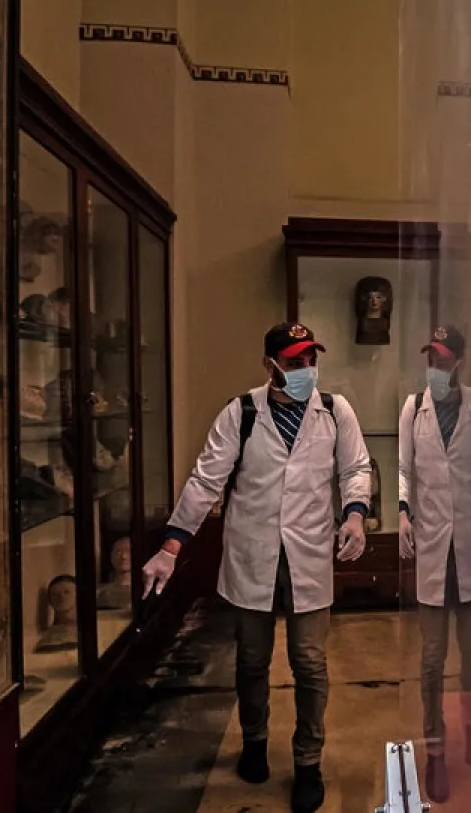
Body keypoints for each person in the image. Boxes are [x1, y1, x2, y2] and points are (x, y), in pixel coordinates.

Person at [142, 322, 371, 813]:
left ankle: (308, 762)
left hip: (309, 554)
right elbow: (206, 481)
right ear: (270, 365)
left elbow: (355, 468)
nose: (305, 369)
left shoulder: (335, 411)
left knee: (310, 663)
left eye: (310, 360)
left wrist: (355, 514)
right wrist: (172, 547)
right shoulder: (241, 413)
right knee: (251, 659)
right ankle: (254, 739)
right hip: (252, 554)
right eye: (293, 362)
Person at [397, 325, 471, 802]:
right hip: (432, 549)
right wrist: (402, 512)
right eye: (432, 359)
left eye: (445, 360)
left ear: (459, 363)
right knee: (432, 661)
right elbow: (404, 468)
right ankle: (435, 751)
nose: (436, 367)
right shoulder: (414, 408)